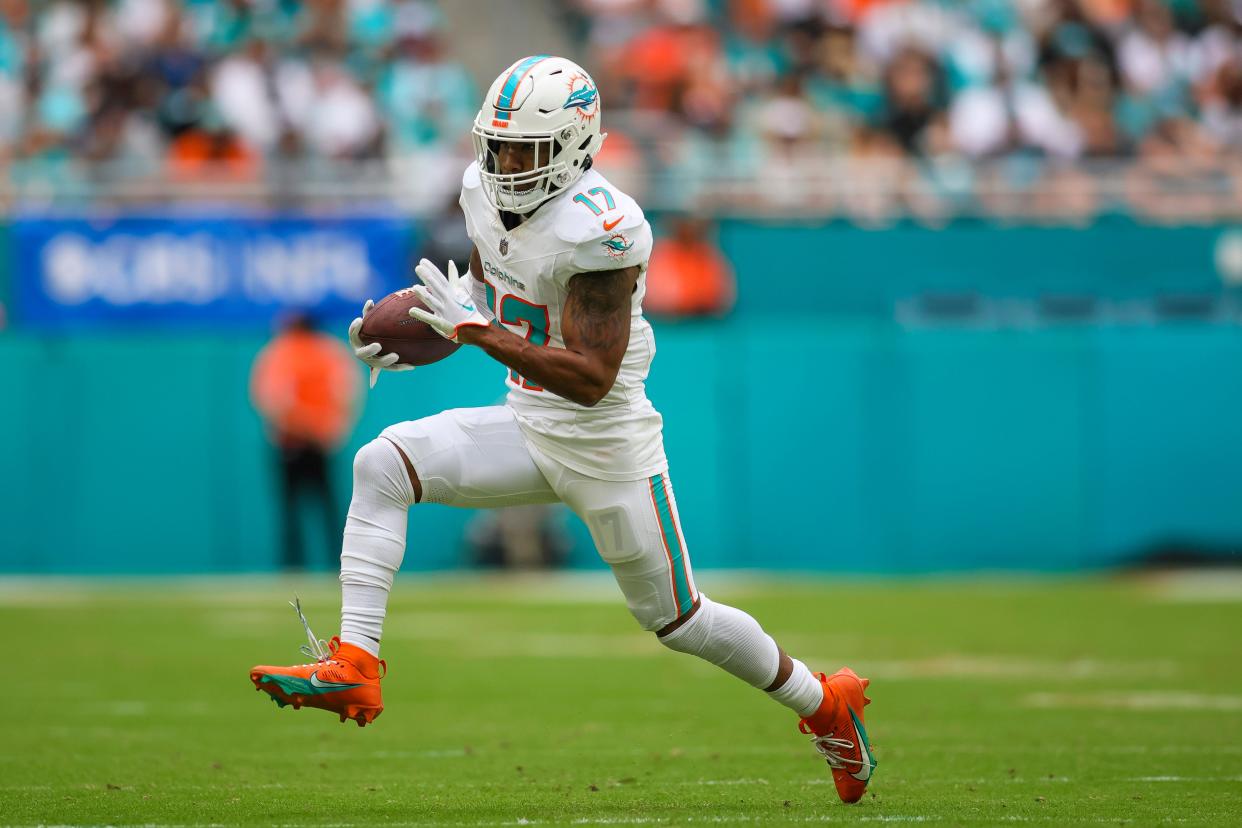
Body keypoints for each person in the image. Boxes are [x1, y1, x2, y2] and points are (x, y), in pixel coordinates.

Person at [249, 56, 876, 804]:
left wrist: (476, 331)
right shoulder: (480, 192)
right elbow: (491, 296)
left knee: (678, 619)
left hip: (607, 444)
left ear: (578, 147)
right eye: (501, 146)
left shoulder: (603, 230)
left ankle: (824, 702)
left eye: (529, 149)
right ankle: (355, 663)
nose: (509, 164)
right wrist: (429, 326)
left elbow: (589, 378)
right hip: (525, 422)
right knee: (381, 462)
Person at [249, 312, 360, 570]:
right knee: (329, 509)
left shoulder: (282, 352)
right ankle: (342, 566)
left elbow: (273, 400)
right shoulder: (330, 352)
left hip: (291, 441)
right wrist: (328, 429)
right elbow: (347, 396)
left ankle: (293, 568)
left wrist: (301, 425)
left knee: (291, 512)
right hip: (320, 441)